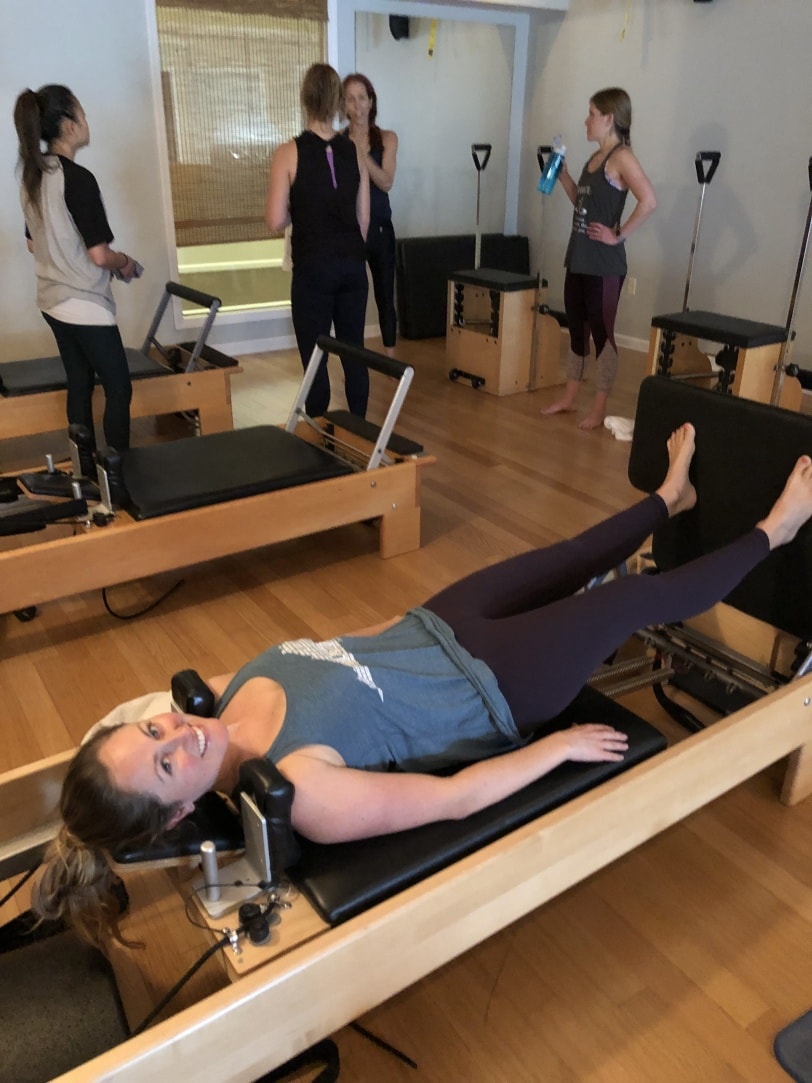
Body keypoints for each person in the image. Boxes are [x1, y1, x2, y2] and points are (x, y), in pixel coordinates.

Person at [32, 426, 812, 947]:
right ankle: (776, 530)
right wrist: (559, 745)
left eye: (153, 730)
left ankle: (670, 498)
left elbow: (342, 647)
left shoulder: (219, 697)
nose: (178, 733)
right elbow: (455, 798)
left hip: (438, 623)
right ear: (177, 811)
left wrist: (410, 620)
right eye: (166, 762)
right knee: (633, 598)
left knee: (569, 555)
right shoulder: (301, 786)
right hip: (499, 686)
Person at [13, 85, 141, 453]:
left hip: (51, 303)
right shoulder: (78, 179)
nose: (87, 121)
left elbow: (33, 243)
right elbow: (100, 256)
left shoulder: (34, 176)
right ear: (69, 126)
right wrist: (125, 263)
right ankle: (117, 474)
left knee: (80, 382)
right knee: (119, 387)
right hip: (83, 304)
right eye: (82, 114)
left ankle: (85, 472)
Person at [541, 87, 656, 431]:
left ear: (609, 118)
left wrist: (617, 235)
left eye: (591, 114)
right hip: (578, 258)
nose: (586, 121)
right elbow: (582, 203)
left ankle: (599, 408)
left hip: (605, 265)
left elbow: (648, 200)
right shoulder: (594, 160)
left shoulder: (622, 157)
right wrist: (563, 177)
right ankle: (570, 398)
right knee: (576, 329)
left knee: (602, 335)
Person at [266, 64, 370, 419]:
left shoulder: (288, 153)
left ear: (305, 99)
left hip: (313, 268)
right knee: (354, 353)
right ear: (338, 101)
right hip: (353, 266)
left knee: (315, 357)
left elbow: (274, 219)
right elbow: (363, 218)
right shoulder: (355, 151)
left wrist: (303, 210)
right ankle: (361, 433)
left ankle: (318, 436)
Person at [342, 73, 398, 358]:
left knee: (385, 295)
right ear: (344, 104)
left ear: (371, 101)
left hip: (380, 228)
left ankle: (390, 359)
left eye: (362, 98)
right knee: (351, 297)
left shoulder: (387, 138)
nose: (357, 105)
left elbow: (386, 182)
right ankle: (353, 359)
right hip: (349, 231)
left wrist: (361, 154)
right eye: (351, 99)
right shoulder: (337, 143)